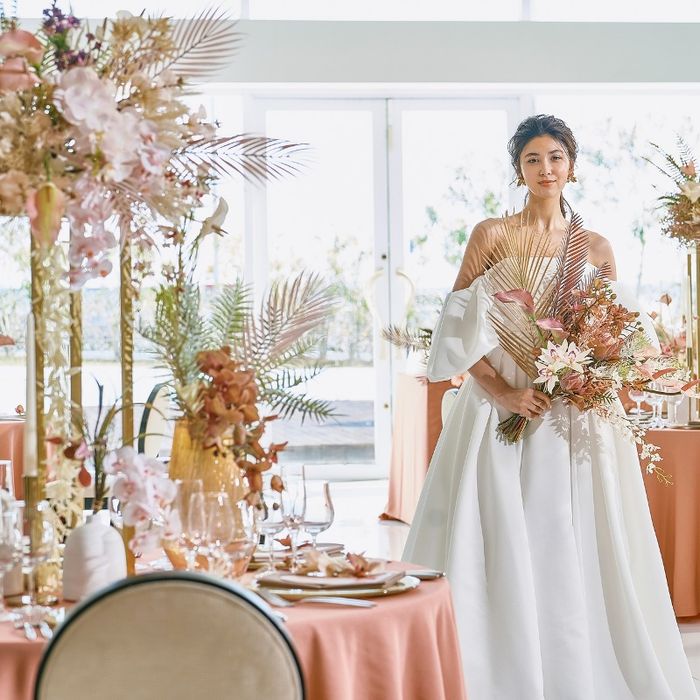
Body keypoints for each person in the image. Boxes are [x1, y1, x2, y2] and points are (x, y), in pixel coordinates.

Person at [402, 114, 699, 699]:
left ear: (573, 166)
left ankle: (575, 666)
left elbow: (612, 330)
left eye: (556, 157)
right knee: (498, 527)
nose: (546, 168)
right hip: (501, 404)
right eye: (533, 159)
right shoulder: (492, 235)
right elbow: (455, 330)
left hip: (575, 411)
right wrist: (502, 391)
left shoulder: (596, 247)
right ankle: (490, 663)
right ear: (518, 170)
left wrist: (590, 374)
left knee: (573, 532)